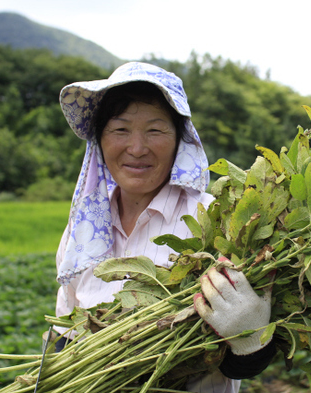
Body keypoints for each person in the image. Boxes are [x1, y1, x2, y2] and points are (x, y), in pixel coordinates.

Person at [54, 62, 276, 392]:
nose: (137, 148)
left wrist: (251, 338)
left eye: (155, 130)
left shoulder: (213, 218)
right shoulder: (84, 225)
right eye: (120, 130)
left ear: (180, 141)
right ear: (100, 140)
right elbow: (66, 330)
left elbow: (239, 364)